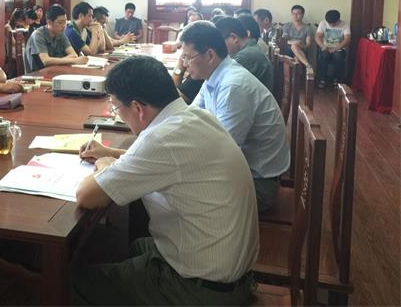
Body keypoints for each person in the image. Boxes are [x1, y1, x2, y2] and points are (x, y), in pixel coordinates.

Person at [72, 56, 258, 306]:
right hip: (230, 274)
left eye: (116, 108)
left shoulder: (161, 139)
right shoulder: (194, 116)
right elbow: (167, 161)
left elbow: (86, 195)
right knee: (132, 245)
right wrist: (112, 153)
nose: (118, 115)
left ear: (137, 108)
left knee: (75, 283)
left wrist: (105, 165)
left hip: (200, 290)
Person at [180, 21, 290, 212]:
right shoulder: (215, 76)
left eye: (188, 57)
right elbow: (191, 116)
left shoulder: (233, 86)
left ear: (210, 55)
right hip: (240, 171)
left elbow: (222, 152)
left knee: (168, 194)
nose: (184, 64)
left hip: (257, 185)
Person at [24, 4, 89, 72]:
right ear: (49, 22)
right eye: (60, 23)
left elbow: (73, 55)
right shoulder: (38, 34)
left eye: (65, 22)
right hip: (37, 74)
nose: (64, 26)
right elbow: (46, 61)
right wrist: (73, 60)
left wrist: (57, 61)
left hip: (54, 70)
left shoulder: (60, 33)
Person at [215, 17, 273, 90]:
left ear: (234, 38)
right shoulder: (249, 49)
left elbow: (219, 83)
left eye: (219, 43)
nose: (218, 48)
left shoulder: (246, 56)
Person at [315, 9, 351, 88]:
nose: (331, 25)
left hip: (339, 48)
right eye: (329, 23)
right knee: (324, 56)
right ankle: (322, 79)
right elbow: (318, 37)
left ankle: (337, 80)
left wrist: (336, 48)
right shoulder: (323, 23)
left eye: (333, 23)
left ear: (338, 20)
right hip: (325, 47)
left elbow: (347, 39)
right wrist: (322, 46)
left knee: (338, 57)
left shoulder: (345, 25)